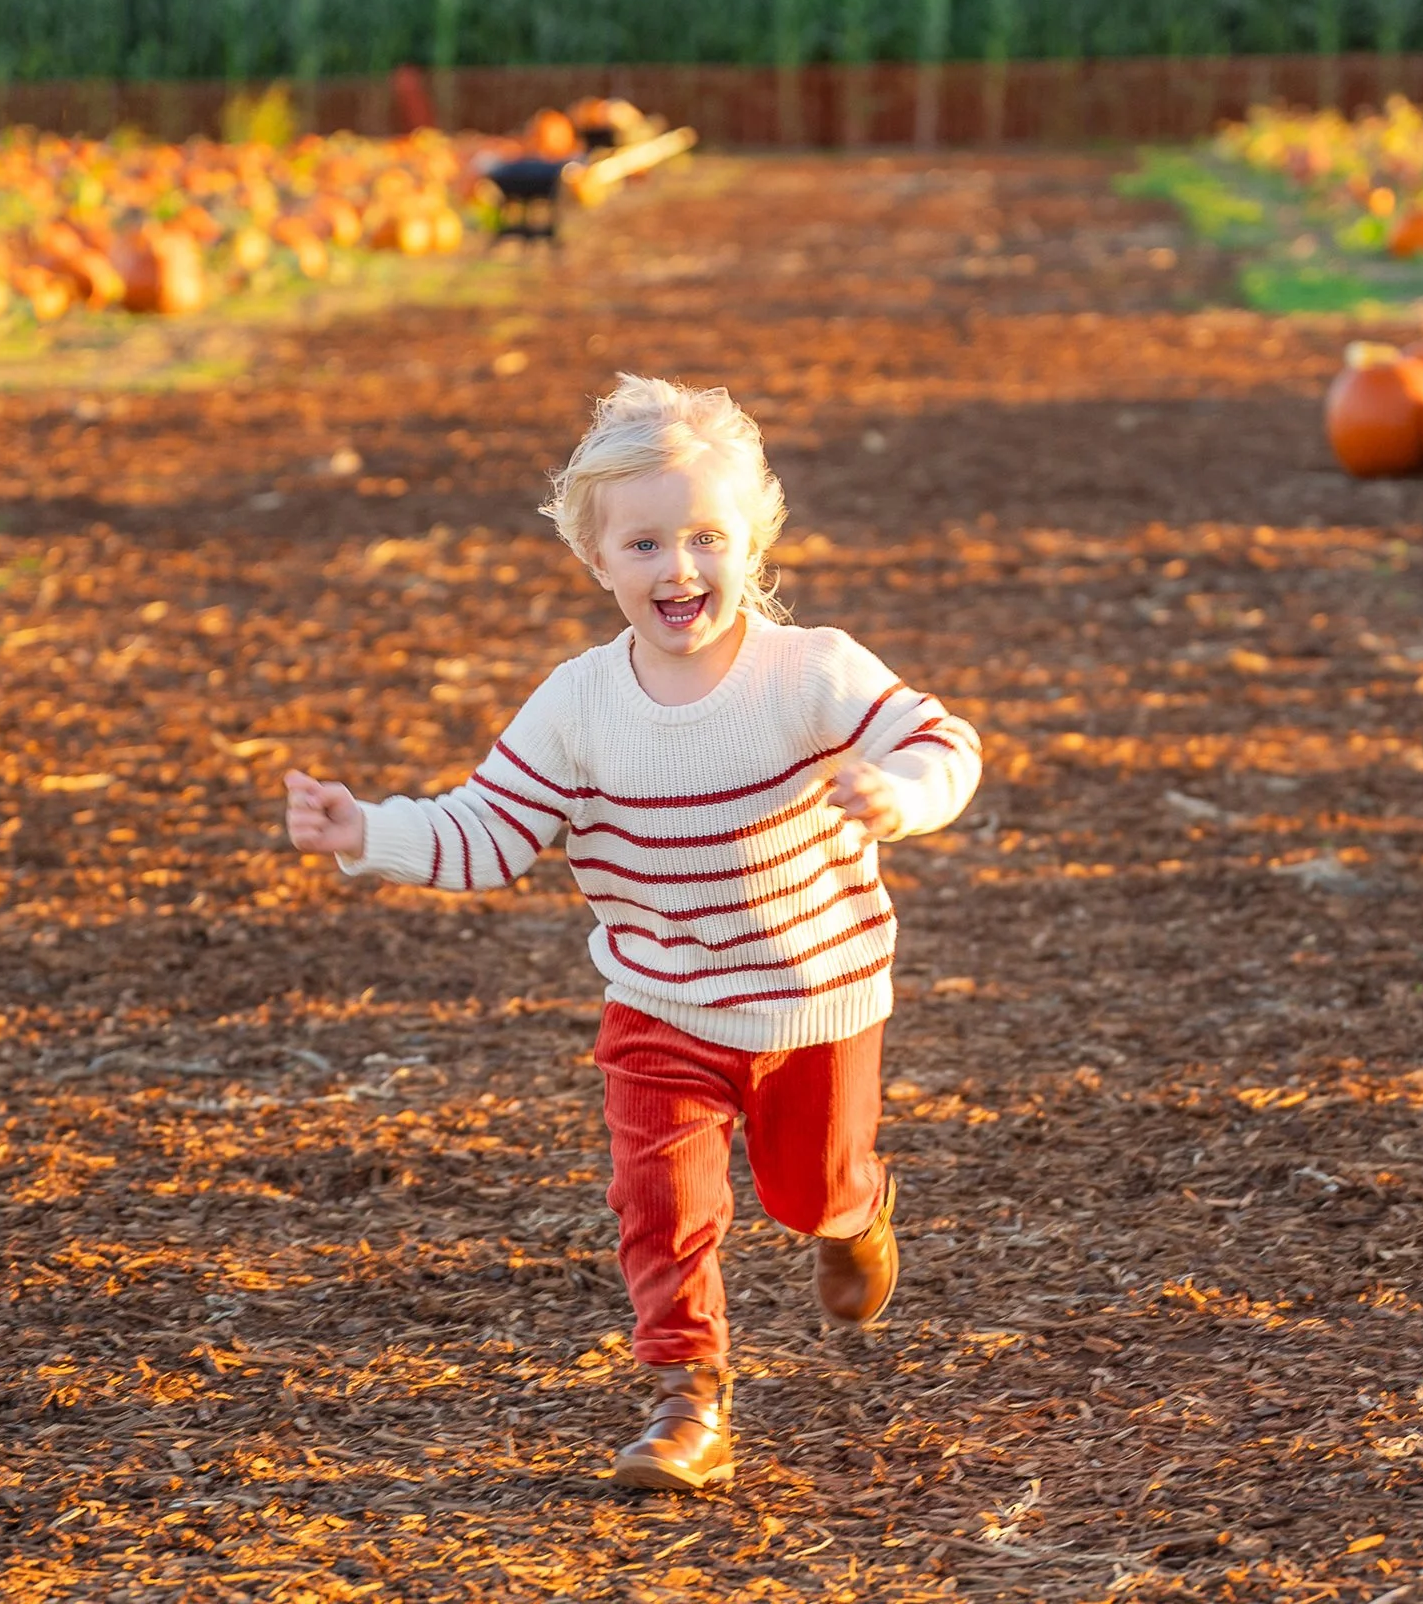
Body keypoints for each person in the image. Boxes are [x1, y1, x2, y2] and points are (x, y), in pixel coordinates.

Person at [283, 375, 981, 1492]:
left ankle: (854, 1211)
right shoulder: (577, 706)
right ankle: (687, 1399)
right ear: (596, 559)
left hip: (814, 997)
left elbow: (941, 740)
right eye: (644, 543)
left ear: (753, 540)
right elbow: (487, 829)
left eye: (706, 537)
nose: (678, 568)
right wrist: (368, 829)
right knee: (662, 1206)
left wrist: (903, 791)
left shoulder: (810, 670)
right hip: (659, 1002)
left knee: (804, 1190)